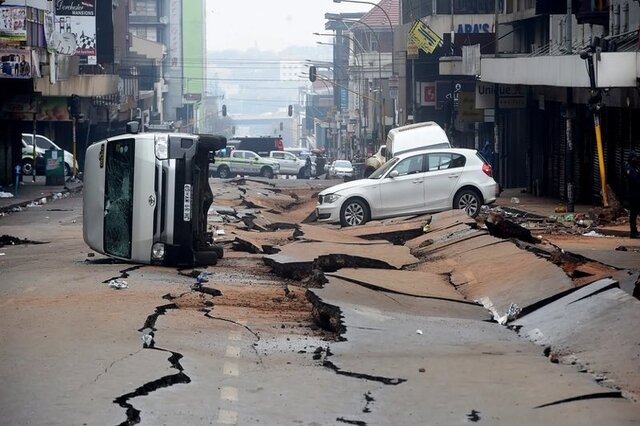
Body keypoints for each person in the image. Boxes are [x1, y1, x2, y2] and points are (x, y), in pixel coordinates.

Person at [626, 149, 640, 239]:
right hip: (634, 194)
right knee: (634, 214)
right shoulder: (630, 168)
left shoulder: (635, 167)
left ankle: (634, 231)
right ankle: (633, 232)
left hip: (636, 194)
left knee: (634, 214)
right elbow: (635, 180)